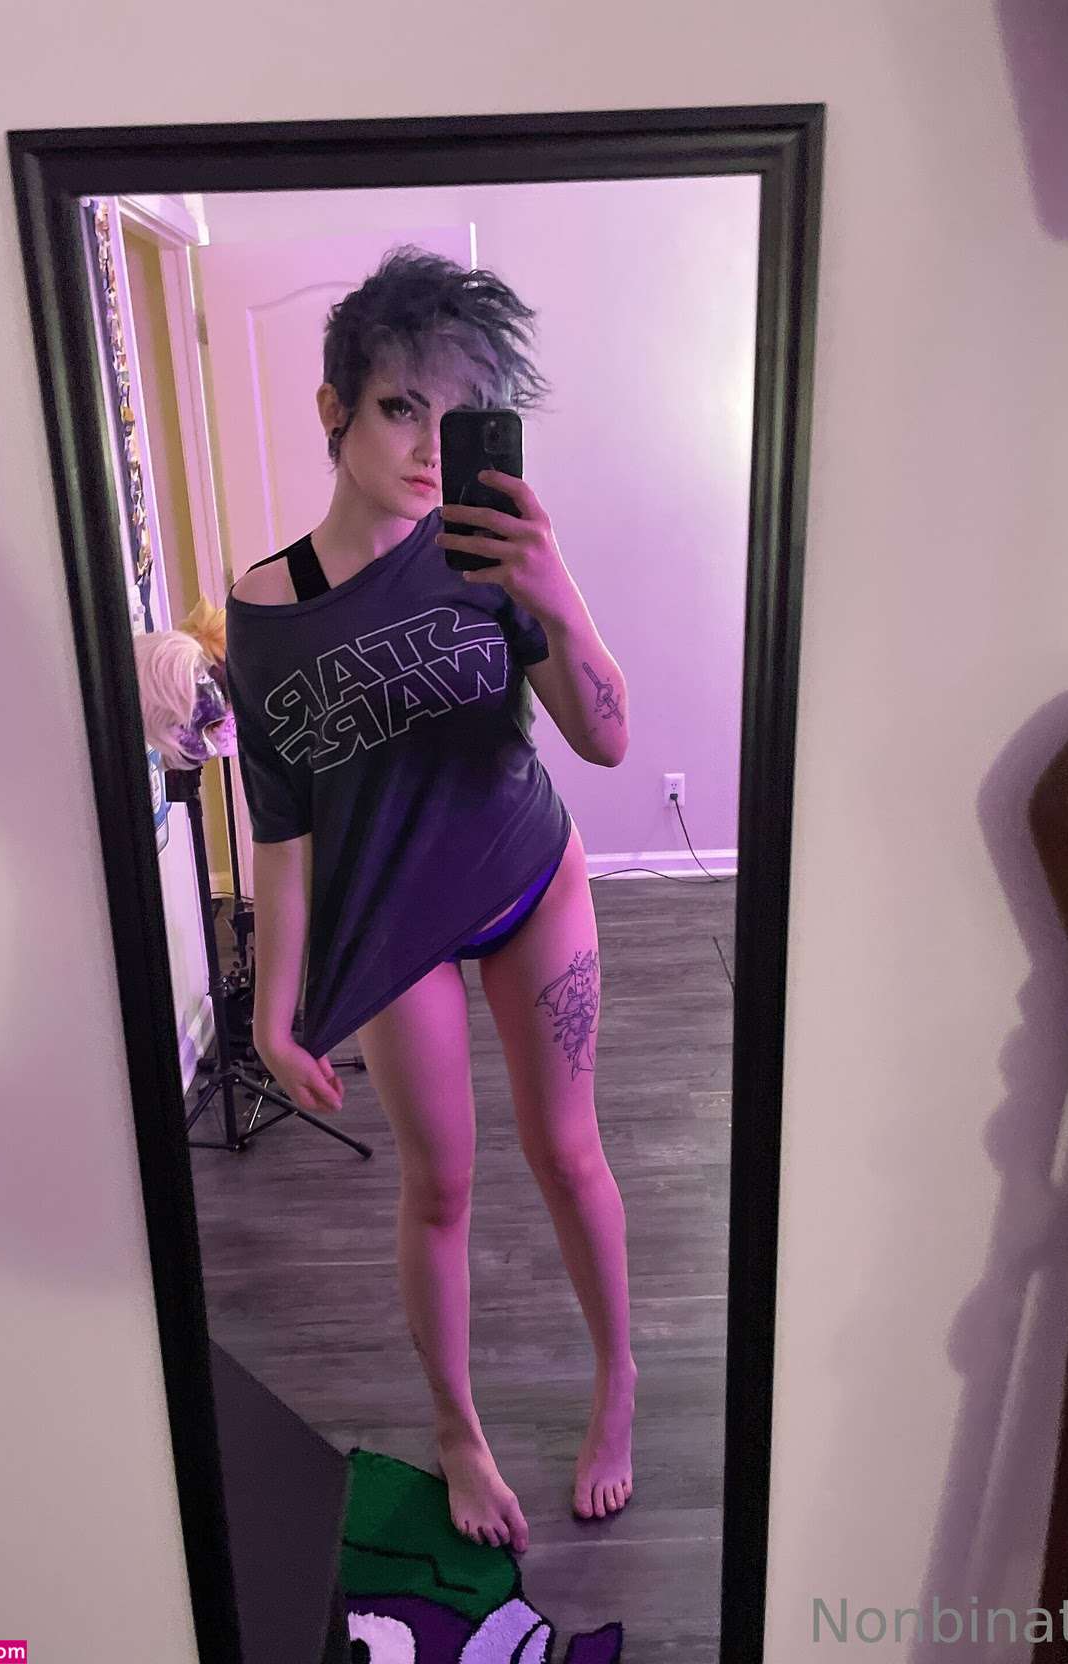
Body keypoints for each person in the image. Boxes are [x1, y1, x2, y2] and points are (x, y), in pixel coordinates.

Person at [225, 247, 636, 1555]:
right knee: (440, 1186)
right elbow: (283, 828)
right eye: (402, 406)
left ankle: (618, 1381)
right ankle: (459, 1431)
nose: (424, 447)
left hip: (529, 878)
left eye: (457, 418)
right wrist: (274, 1013)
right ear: (334, 407)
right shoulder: (262, 612)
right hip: (394, 923)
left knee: (569, 1151)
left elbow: (606, 737)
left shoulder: (488, 554)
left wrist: (550, 591)